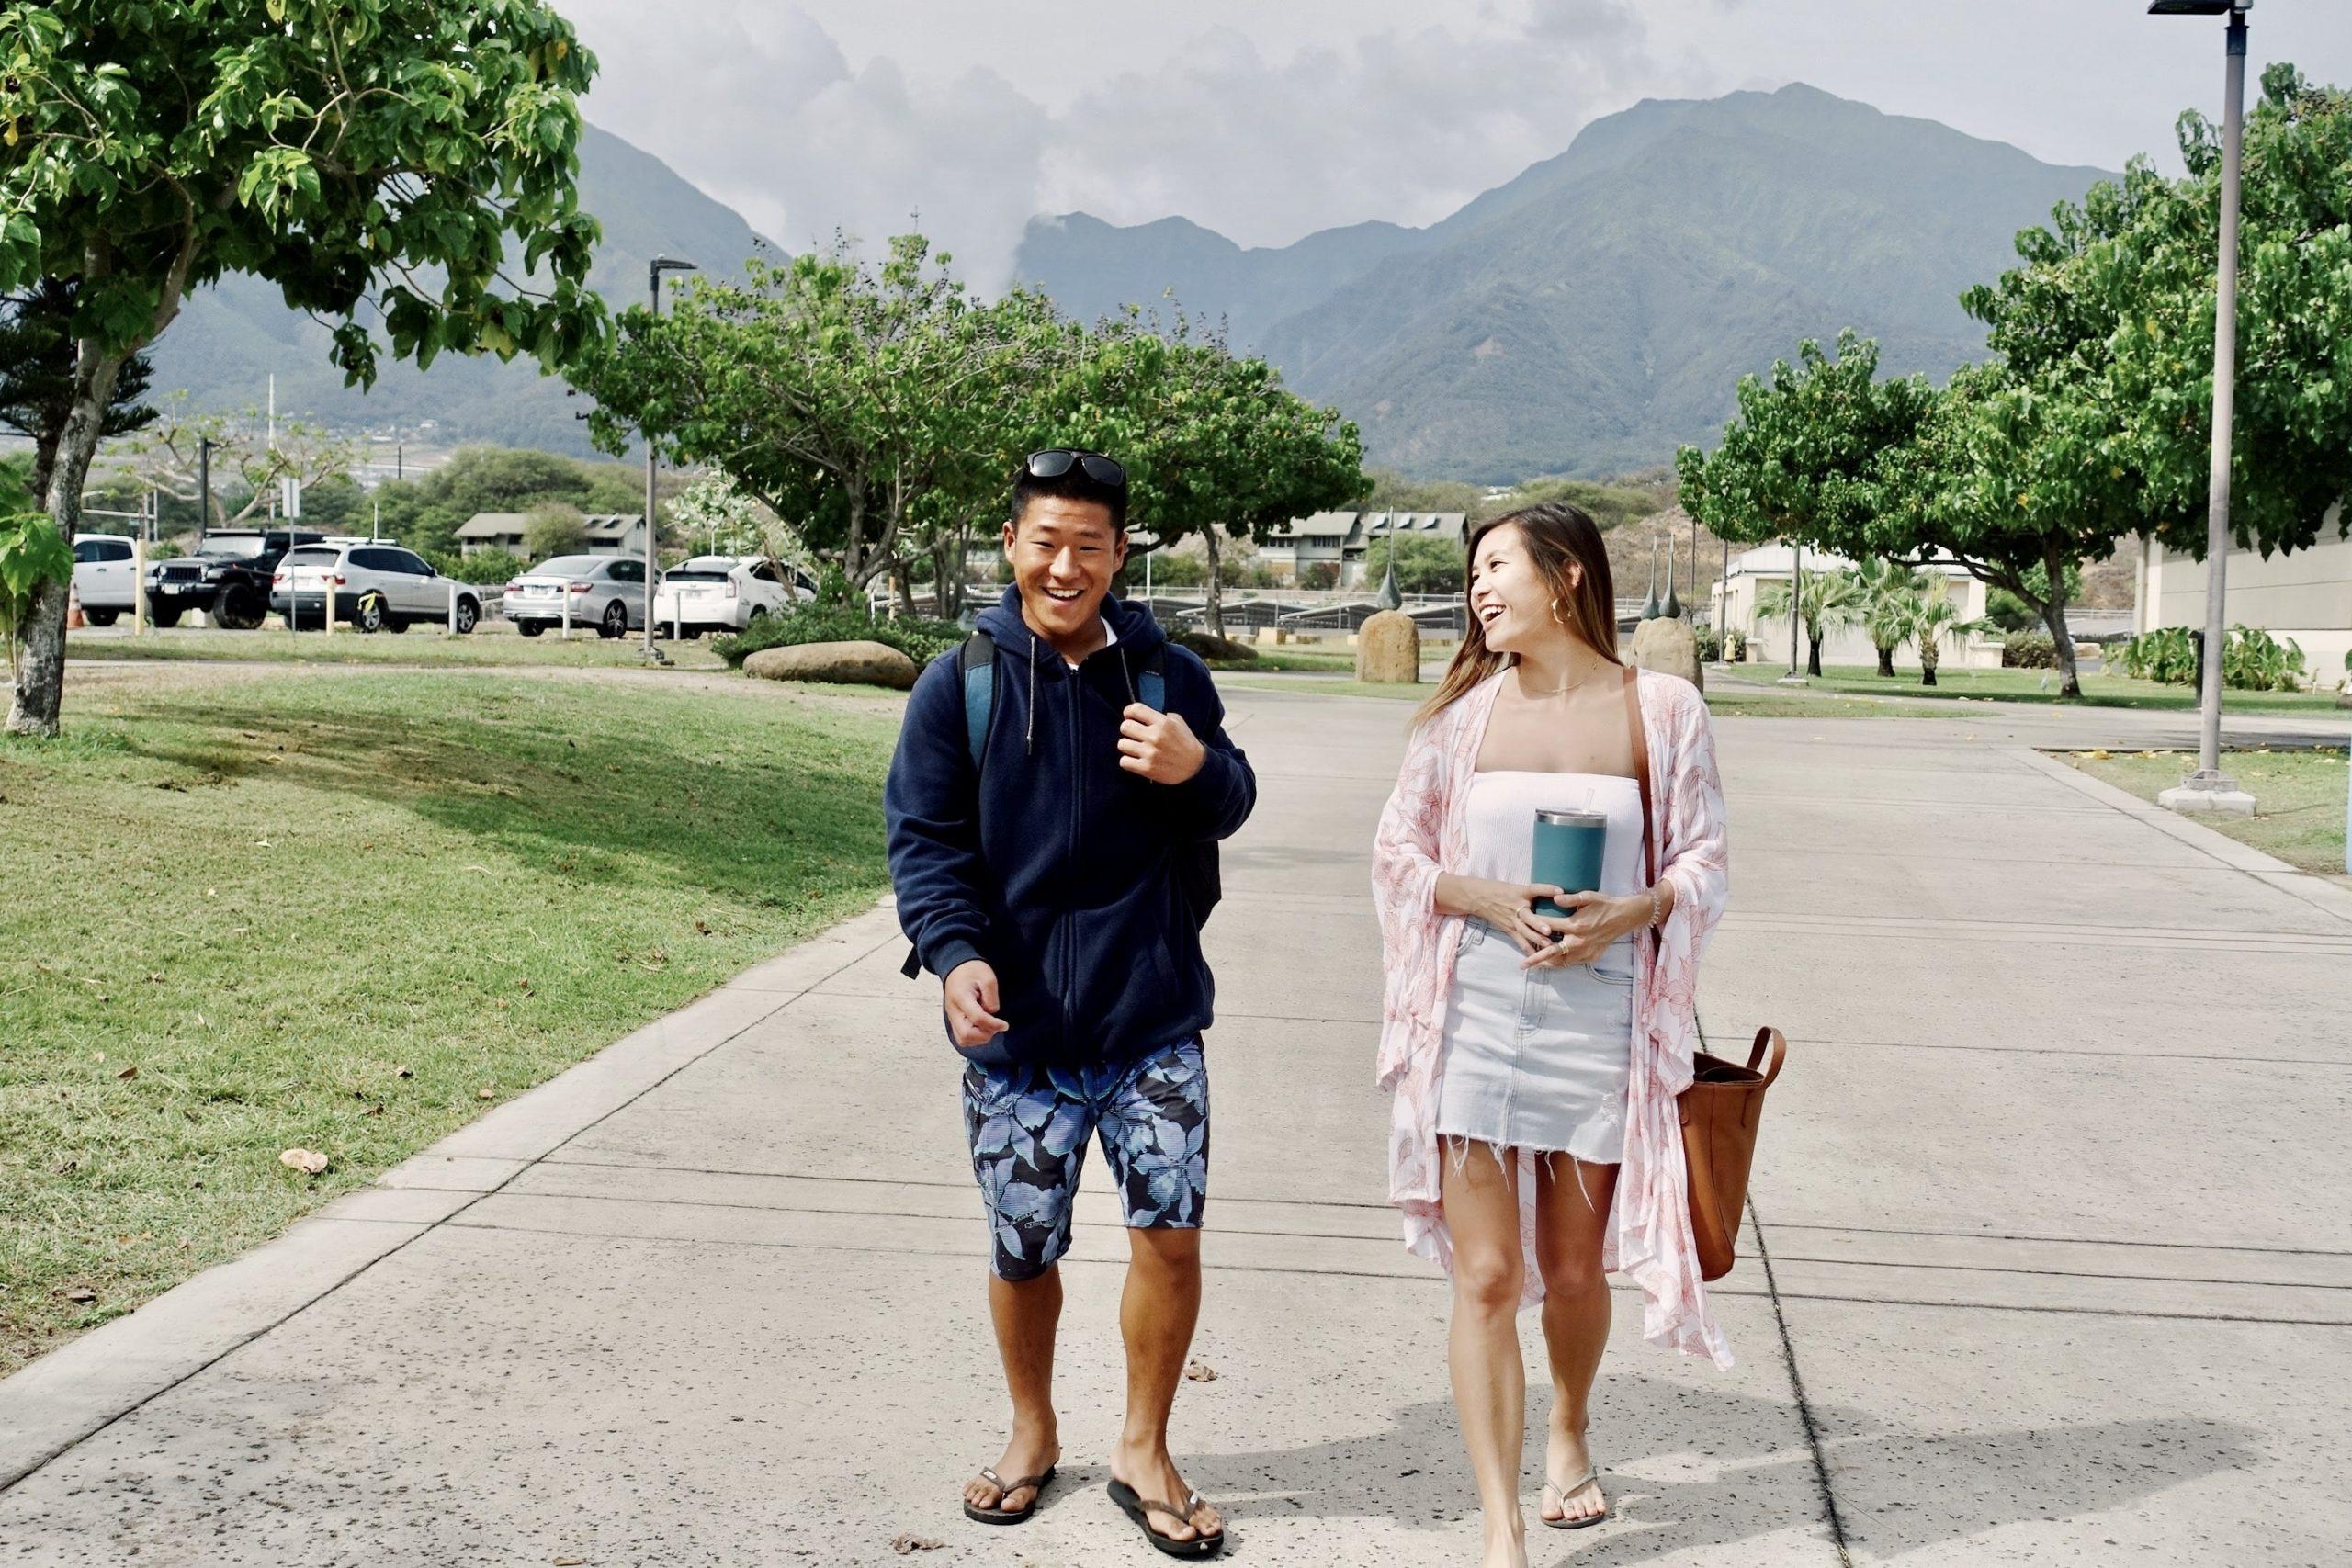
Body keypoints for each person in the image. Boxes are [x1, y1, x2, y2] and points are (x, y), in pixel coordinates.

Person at [886, 448, 1255, 1558]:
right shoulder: (961, 682)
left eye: (1088, 547)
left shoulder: (1165, 677)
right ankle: (1033, 1432)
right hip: (1021, 1041)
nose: (1064, 565)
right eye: (1045, 542)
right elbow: (925, 842)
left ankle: (1143, 1447)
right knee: (1023, 1248)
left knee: (1171, 1237)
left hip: (1151, 1020)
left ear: (1119, 556)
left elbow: (1230, 801)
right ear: (1010, 546)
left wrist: (1197, 766)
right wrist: (953, 957)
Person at [1368, 502, 1731, 1567]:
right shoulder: (1458, 723)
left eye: (1496, 568)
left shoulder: (1657, 710)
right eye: (1470, 573)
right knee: (1483, 1277)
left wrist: (1637, 907)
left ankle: (1566, 1429)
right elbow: (1395, 857)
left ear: (1565, 575)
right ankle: (1499, 1524)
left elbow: (1705, 859)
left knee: (1573, 1273)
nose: (1478, 589)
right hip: (1475, 1015)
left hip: (1600, 1024)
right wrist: (1475, 894)